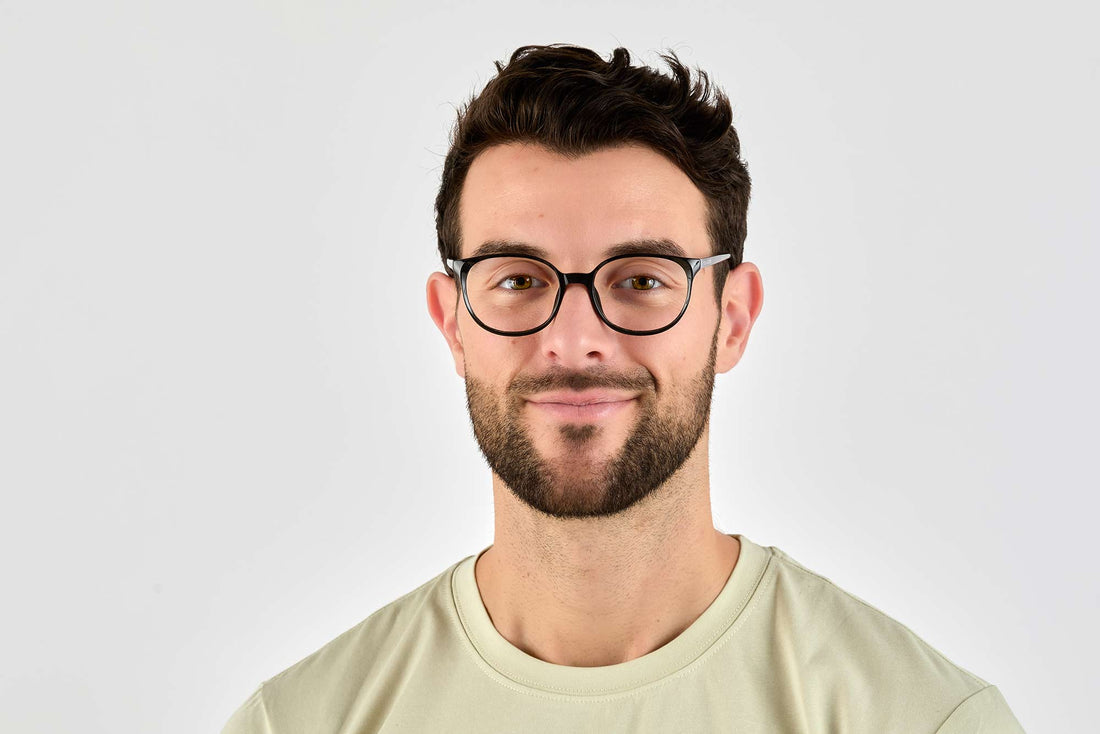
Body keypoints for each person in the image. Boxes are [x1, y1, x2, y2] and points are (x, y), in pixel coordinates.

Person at [222, 44, 1024, 733]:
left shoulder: (918, 719)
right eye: (518, 280)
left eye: (643, 277)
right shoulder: (303, 722)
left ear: (732, 318)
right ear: (453, 324)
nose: (575, 339)